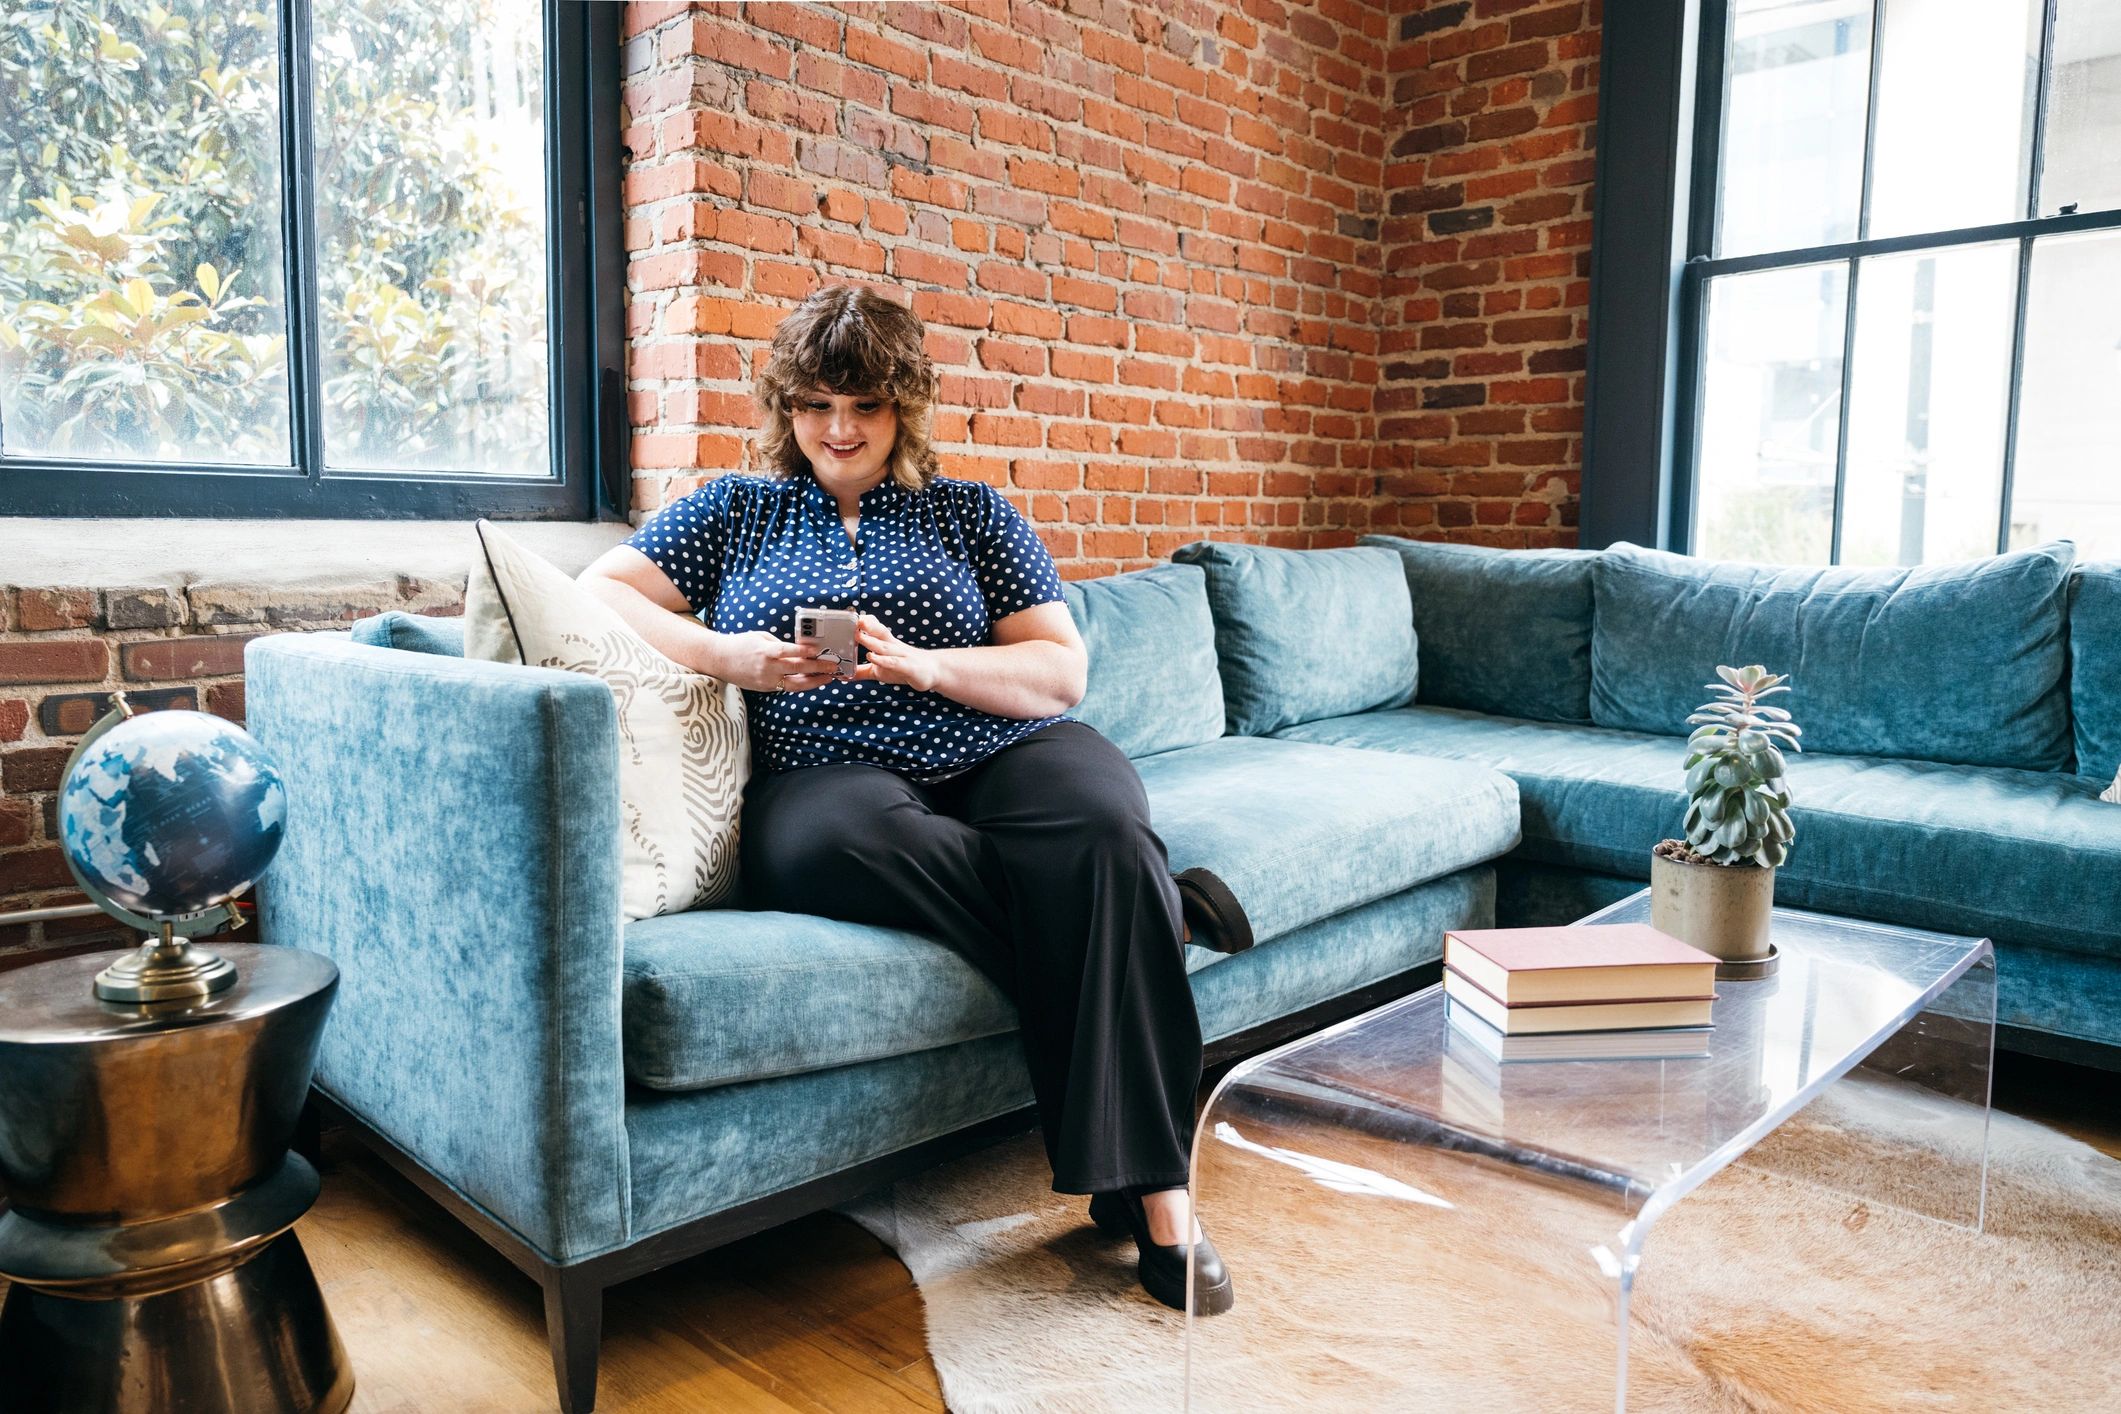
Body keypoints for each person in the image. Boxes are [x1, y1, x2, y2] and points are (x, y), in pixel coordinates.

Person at [578, 283, 1243, 1315]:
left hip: (1002, 746)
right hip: (828, 776)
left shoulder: (969, 510)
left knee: (1104, 826)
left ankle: (1156, 1192)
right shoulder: (736, 508)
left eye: (867, 406)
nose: (839, 431)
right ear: (785, 407)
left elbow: (1059, 674)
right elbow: (600, 590)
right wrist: (729, 656)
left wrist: (924, 667)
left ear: (906, 406)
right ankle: (1150, 906)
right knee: (841, 848)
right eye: (814, 404)